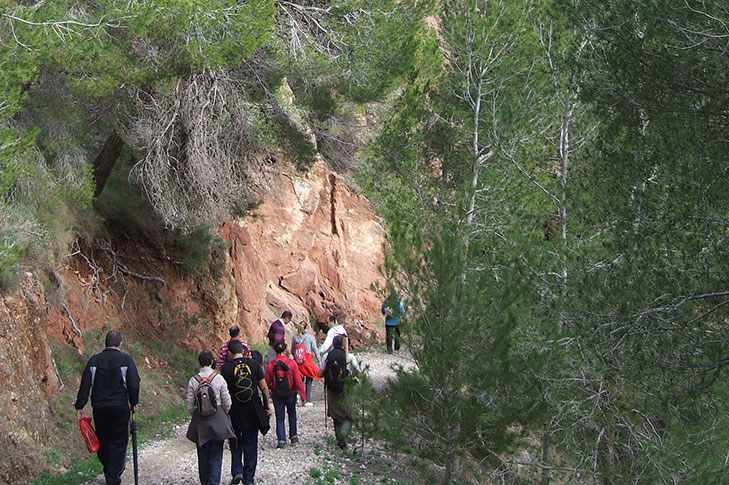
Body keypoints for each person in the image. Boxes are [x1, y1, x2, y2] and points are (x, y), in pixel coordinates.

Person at [74, 330, 140, 485]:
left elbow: (85, 384)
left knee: (103, 439)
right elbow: (134, 383)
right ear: (120, 343)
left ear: (106, 343)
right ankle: (113, 475)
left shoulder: (94, 361)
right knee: (119, 440)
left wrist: (80, 405)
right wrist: (134, 402)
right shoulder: (126, 360)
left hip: (100, 408)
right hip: (119, 407)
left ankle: (110, 470)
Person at [221, 339, 271, 485]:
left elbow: (222, 392)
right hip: (252, 410)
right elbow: (264, 388)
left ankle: (237, 471)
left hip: (234, 410)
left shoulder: (226, 368)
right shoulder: (254, 364)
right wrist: (267, 404)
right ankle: (249, 478)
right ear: (243, 352)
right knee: (251, 443)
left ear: (229, 353)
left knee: (235, 441)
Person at [185, 350, 235, 485]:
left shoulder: (194, 380)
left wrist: (196, 414)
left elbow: (189, 404)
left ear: (199, 363)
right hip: (217, 421)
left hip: (200, 422)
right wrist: (223, 413)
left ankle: (205, 482)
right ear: (212, 362)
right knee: (216, 455)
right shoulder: (219, 379)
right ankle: (214, 482)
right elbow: (228, 402)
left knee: (202, 455)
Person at [318, 335, 360, 450]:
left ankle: (339, 441)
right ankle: (344, 436)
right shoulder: (349, 357)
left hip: (332, 389)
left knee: (336, 415)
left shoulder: (327, 356)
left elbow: (319, 374)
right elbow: (358, 373)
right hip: (346, 389)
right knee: (350, 415)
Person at [265, 341, 306, 448]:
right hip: (291, 393)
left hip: (276, 394)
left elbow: (266, 381)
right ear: (285, 350)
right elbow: (298, 381)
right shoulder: (292, 364)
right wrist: (303, 396)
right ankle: (293, 436)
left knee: (280, 417)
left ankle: (281, 440)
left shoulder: (271, 365)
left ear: (275, 350)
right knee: (292, 413)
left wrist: (267, 396)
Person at [291, 321, 321, 406]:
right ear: (306, 328)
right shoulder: (310, 337)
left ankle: (297, 395)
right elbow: (315, 349)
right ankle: (308, 400)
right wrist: (319, 360)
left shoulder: (295, 338)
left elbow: (292, 350)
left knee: (298, 379)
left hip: (298, 361)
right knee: (309, 379)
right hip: (307, 360)